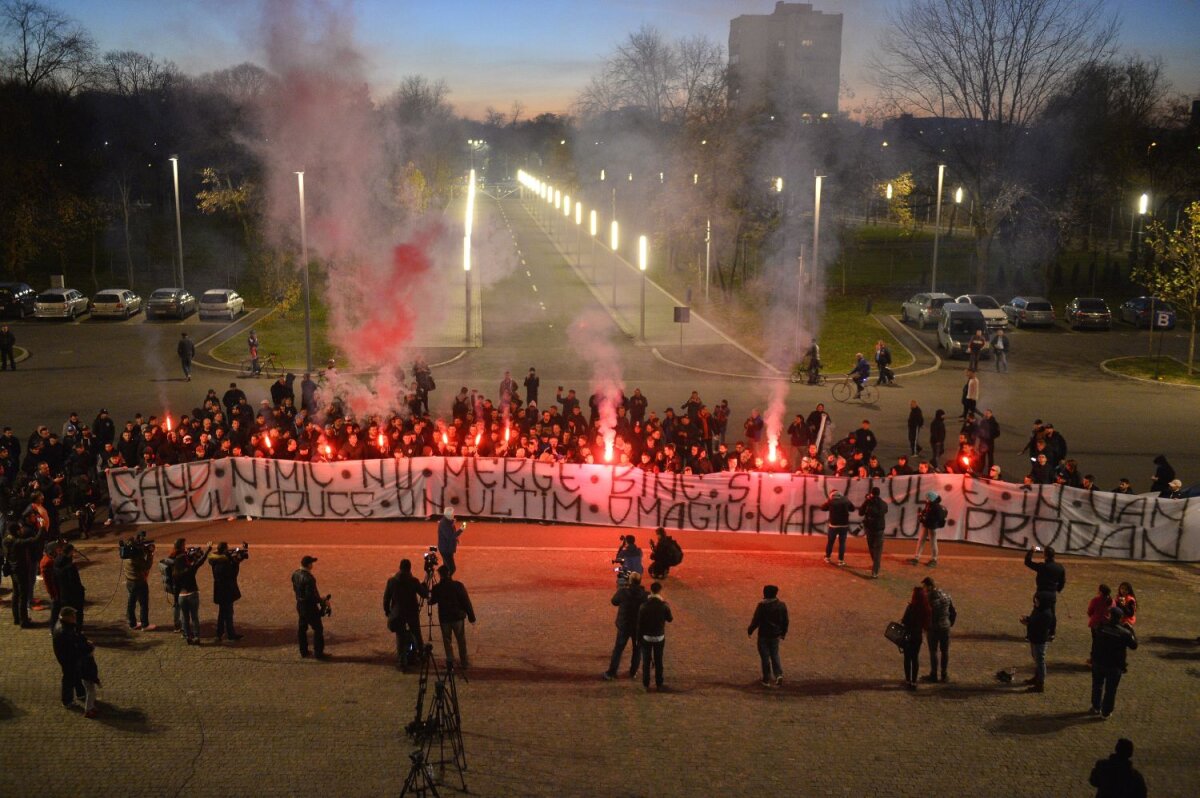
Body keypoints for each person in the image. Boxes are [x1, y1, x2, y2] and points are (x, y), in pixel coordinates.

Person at [1090, 607, 1139, 719]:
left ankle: (1096, 706)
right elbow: (1134, 645)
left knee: (1097, 685)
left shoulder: (1101, 627)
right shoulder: (1124, 633)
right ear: (1121, 618)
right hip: (1114, 665)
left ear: (1109, 615)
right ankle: (1106, 712)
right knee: (1111, 690)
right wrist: (1131, 630)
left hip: (1099, 661)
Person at [52, 606, 100, 718]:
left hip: (68, 658)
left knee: (76, 675)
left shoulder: (65, 626)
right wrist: (87, 650)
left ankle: (81, 694)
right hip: (68, 659)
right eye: (73, 616)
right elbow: (73, 648)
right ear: (67, 617)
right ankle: (67, 700)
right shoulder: (64, 631)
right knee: (69, 677)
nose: (75, 618)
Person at [429, 565, 475, 670]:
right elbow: (466, 601)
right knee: (461, 640)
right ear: (449, 574)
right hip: (457, 617)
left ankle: (450, 663)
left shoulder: (437, 588)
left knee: (447, 641)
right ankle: (464, 663)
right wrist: (471, 617)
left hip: (445, 619)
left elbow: (432, 601)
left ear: (440, 575)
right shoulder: (458, 585)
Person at [383, 559, 428, 668]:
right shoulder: (413, 581)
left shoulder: (392, 581)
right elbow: (424, 594)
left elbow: (386, 599)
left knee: (400, 638)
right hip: (412, 612)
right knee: (417, 634)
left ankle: (402, 662)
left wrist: (388, 611)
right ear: (409, 568)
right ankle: (421, 656)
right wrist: (424, 587)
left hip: (398, 613)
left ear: (400, 567)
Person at [604, 570, 647, 680]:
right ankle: (633, 672)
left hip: (624, 625)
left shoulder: (623, 592)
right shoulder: (644, 595)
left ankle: (612, 672)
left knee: (618, 649)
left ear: (630, 580)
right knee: (637, 650)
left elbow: (614, 601)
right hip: (638, 627)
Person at [747, 584, 789, 687]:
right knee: (775, 654)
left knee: (765, 657)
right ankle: (778, 675)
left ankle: (766, 678)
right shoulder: (782, 605)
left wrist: (750, 629)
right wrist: (783, 633)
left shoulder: (762, 606)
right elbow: (785, 621)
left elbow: (756, 620)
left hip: (764, 634)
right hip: (775, 634)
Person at [637, 581, 673, 692]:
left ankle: (646, 683)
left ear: (651, 590)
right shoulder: (663, 606)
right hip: (659, 637)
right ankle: (659, 683)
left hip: (646, 637)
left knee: (646, 662)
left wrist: (639, 639)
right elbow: (670, 619)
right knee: (658, 660)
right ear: (660, 591)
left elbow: (640, 623)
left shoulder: (644, 606)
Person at [174, 543, 211, 645]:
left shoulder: (176, 573)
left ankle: (188, 636)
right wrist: (208, 550)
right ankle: (196, 637)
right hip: (192, 594)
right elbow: (200, 562)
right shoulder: (190, 569)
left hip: (182, 596)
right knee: (194, 617)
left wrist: (176, 600)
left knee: (185, 618)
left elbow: (176, 588)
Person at [1025, 546, 1066, 637]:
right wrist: (1058, 589)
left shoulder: (1042, 566)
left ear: (1045, 556)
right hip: (1052, 594)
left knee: (1036, 612)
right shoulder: (1060, 567)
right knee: (1052, 613)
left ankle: (1031, 633)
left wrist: (1032, 550)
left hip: (1041, 593)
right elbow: (1062, 581)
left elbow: (1027, 562)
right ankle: (1051, 632)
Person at [292, 555, 327, 659]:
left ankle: (304, 651)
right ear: (308, 565)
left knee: (302, 629)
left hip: (300, 605)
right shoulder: (309, 578)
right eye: (312, 563)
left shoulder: (295, 574)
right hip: (309, 607)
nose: (313, 565)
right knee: (318, 629)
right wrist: (322, 600)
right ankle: (319, 653)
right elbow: (310, 596)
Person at [922, 576, 956, 683]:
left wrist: (925, 626)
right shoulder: (946, 596)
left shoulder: (927, 598)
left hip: (933, 628)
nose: (924, 589)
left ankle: (934, 674)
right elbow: (953, 612)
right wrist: (949, 624)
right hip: (945, 627)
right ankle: (944, 674)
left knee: (933, 651)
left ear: (929, 586)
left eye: (925, 586)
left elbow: (925, 614)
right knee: (945, 651)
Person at [209, 542, 243, 642]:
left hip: (219, 591)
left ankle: (220, 633)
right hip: (226, 591)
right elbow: (233, 575)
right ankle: (230, 634)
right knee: (228, 613)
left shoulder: (215, 561)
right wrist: (236, 563)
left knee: (222, 613)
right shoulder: (224, 563)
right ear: (224, 550)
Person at [1020, 592, 1054, 692]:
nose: (1035, 602)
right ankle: (1037, 677)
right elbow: (1034, 619)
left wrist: (1027, 623)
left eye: (1037, 600)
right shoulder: (1038, 609)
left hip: (1039, 640)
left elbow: (1039, 627)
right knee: (1036, 659)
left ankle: (1040, 684)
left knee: (1040, 661)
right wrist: (1028, 619)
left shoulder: (1046, 614)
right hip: (1034, 638)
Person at [120, 534, 154, 630]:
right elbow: (147, 566)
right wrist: (150, 554)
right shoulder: (136, 558)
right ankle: (145, 625)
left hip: (129, 582)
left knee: (131, 602)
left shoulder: (126, 555)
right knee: (143, 603)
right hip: (139, 582)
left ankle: (132, 623)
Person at [900, 586, 930, 690]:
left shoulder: (910, 607)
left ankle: (908, 680)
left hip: (908, 635)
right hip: (917, 636)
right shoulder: (925, 609)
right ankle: (914, 681)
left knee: (907, 658)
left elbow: (904, 621)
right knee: (915, 658)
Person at [53, 543, 86, 630]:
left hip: (63, 593)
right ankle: (78, 629)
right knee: (77, 613)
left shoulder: (56, 561)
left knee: (66, 613)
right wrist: (81, 591)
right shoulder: (70, 567)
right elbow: (74, 582)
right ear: (70, 551)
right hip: (73, 595)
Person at [858, 486, 888, 578]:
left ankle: (875, 567)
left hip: (870, 528)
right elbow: (885, 511)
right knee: (877, 550)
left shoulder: (868, 503)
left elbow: (861, 512)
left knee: (872, 548)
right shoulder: (883, 503)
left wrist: (867, 500)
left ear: (871, 493)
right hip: (879, 529)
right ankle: (875, 569)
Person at [911, 491, 946, 567]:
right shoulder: (930, 504)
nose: (926, 499)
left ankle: (934, 559)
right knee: (921, 541)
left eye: (928, 498)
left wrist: (925, 519)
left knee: (933, 542)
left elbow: (936, 518)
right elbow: (926, 512)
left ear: (931, 498)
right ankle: (917, 557)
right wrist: (922, 515)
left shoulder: (936, 506)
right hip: (926, 525)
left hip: (932, 526)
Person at [821, 490, 855, 566]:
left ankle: (827, 557)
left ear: (832, 495)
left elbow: (822, 508)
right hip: (844, 525)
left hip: (833, 525)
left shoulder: (831, 501)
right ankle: (841, 560)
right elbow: (852, 509)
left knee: (830, 542)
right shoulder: (845, 500)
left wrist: (829, 502)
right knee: (842, 543)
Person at [1086, 584, 1115, 664]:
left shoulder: (1096, 600)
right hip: (1107, 624)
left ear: (1101, 592)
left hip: (1096, 624)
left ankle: (1094, 659)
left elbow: (1090, 611)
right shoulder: (1112, 601)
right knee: (1104, 642)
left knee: (1095, 642)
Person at [437, 508, 466, 576]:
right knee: (452, 568)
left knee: (446, 567)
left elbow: (451, 532)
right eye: (452, 514)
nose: (454, 515)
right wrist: (461, 530)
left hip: (447, 548)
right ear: (448, 515)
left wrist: (456, 539)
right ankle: (446, 580)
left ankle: (445, 579)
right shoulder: (444, 524)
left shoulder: (448, 521)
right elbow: (450, 536)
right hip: (445, 549)